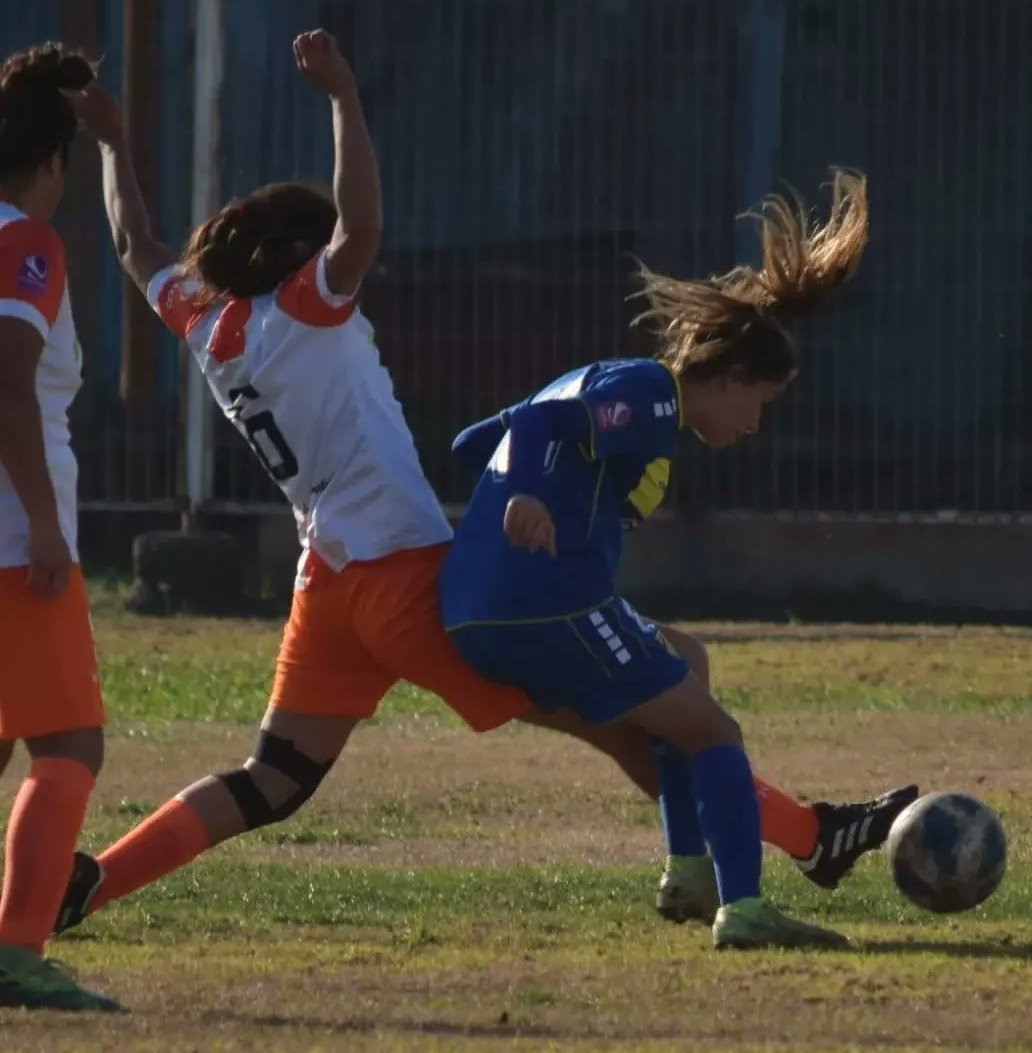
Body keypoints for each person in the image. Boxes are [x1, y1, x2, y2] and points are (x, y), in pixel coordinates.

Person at [54, 32, 907, 944]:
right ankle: (809, 838)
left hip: (326, 582)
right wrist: (344, 96)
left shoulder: (208, 328)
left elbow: (135, 242)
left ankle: (95, 881)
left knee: (273, 777)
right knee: (626, 714)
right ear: (300, 257)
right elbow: (362, 227)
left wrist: (111, 146)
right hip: (406, 579)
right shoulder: (309, 307)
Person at [439, 168, 875, 948]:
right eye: (757, 406)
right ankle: (743, 910)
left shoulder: (607, 382)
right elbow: (539, 433)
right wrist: (531, 495)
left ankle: (689, 872)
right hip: (550, 600)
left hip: (473, 607)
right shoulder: (651, 395)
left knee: (687, 662)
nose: (752, 426)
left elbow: (475, 441)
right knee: (716, 732)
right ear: (732, 378)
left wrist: (521, 494)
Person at [0, 42, 119, 1011]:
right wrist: (42, 520)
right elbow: (7, 385)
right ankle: (14, 953)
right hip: (11, 544)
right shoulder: (27, 245)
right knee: (71, 744)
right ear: (52, 165)